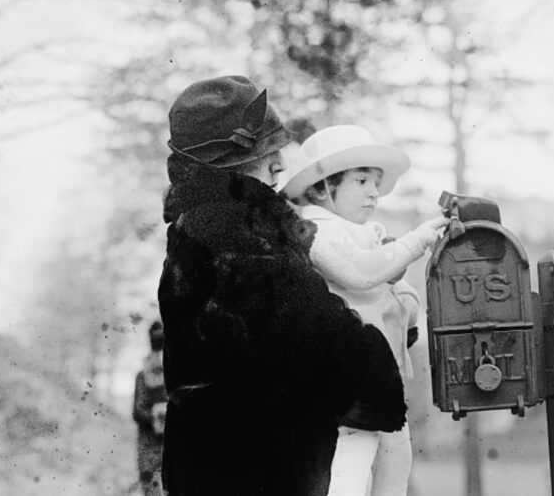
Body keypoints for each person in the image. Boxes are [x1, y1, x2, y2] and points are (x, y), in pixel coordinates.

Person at [158, 76, 408, 496]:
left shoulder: (194, 232)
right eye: (264, 154)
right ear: (228, 167)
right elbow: (331, 349)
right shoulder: (240, 235)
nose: (278, 166)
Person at [281, 125, 448, 496]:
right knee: (347, 475)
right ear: (323, 187)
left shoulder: (368, 234)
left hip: (381, 380)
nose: (374, 191)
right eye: (361, 180)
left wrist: (406, 300)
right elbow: (360, 273)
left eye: (376, 181)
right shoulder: (316, 231)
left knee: (394, 470)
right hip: (343, 386)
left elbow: (398, 289)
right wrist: (416, 241)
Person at [132, 321, 168, 496]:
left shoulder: (175, 374)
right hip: (150, 445)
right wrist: (158, 416)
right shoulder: (143, 375)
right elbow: (138, 410)